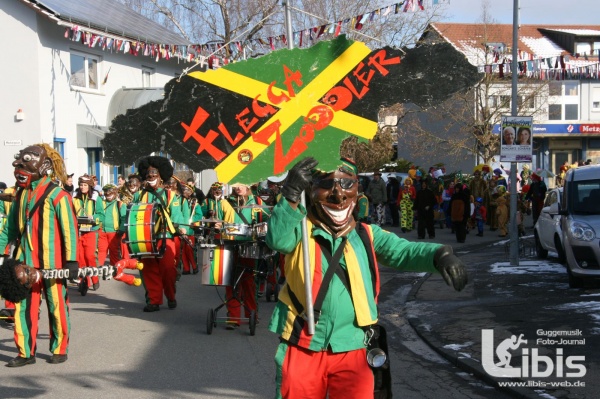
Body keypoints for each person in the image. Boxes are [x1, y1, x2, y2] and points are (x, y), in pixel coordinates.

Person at [265, 157, 468, 398]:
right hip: (303, 344)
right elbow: (277, 239)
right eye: (327, 184)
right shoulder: (299, 229)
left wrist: (440, 255)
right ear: (312, 189)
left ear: (357, 191)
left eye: (346, 184)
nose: (338, 195)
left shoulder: (367, 235)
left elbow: (403, 251)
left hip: (354, 347)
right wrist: (289, 194)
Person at [0, 143, 78, 367]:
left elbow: (69, 230)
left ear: (44, 166)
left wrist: (72, 260)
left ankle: (59, 348)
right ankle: (25, 352)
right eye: (19, 161)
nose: (18, 166)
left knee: (57, 307)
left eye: (27, 161)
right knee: (22, 308)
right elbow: (10, 228)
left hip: (53, 265)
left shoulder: (59, 195)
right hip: (24, 266)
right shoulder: (21, 195)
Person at [129, 156, 186, 312]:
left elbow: (176, 215)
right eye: (149, 174)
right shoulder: (138, 196)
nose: (151, 176)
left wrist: (180, 227)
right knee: (148, 270)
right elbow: (129, 216)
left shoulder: (170, 195)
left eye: (154, 173)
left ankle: (171, 295)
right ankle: (154, 301)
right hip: (144, 238)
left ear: (161, 175)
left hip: (165, 237)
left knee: (168, 269)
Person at [223, 182, 269, 328]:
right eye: (235, 184)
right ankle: (233, 317)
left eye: (241, 184)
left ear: (248, 184)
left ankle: (252, 314)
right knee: (231, 282)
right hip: (230, 245)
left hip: (250, 246)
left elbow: (266, 223)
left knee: (249, 282)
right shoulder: (225, 202)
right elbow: (216, 219)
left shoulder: (258, 202)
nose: (238, 187)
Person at [73, 174, 104, 292]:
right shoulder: (74, 197)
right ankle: (83, 281)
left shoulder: (96, 198)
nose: (82, 187)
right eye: (81, 184)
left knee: (89, 256)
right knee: (80, 258)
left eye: (85, 185)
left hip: (91, 231)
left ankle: (95, 278)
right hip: (78, 231)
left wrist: (93, 217)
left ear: (89, 186)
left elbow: (101, 215)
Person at [98, 184, 128, 266]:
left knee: (114, 251)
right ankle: (97, 270)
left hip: (114, 232)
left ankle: (115, 269)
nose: (108, 196)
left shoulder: (121, 204)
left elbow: (124, 218)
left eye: (110, 194)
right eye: (106, 194)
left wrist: (121, 229)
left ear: (115, 194)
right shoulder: (101, 203)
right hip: (102, 232)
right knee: (101, 251)